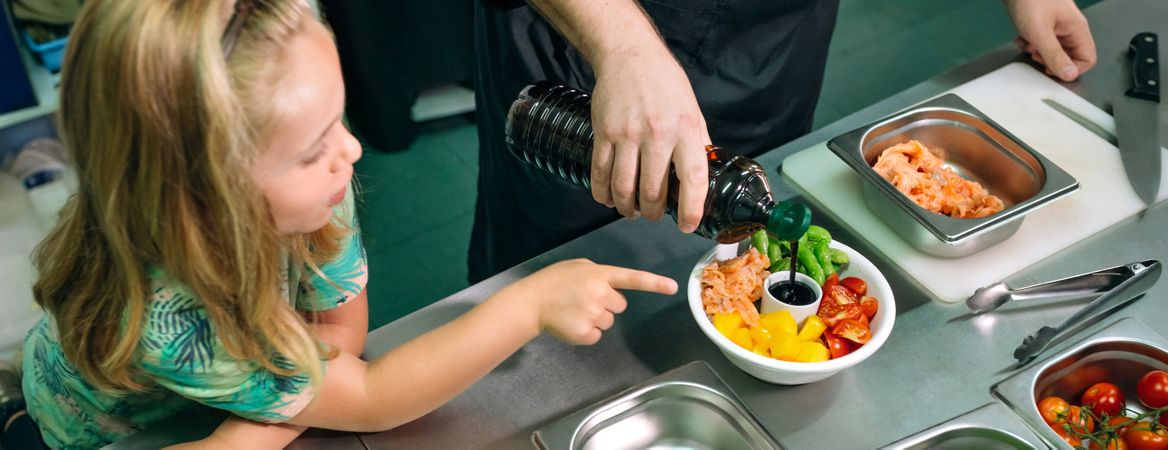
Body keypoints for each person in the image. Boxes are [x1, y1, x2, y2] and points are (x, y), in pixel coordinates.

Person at [21, 1, 678, 448]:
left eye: (340, 120)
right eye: (312, 149)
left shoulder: (318, 174)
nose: (350, 151)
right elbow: (366, 395)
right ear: (205, 197)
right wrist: (527, 305)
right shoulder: (171, 319)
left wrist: (286, 394)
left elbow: (340, 333)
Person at [468, 0, 1097, 283]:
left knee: (744, 237)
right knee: (560, 267)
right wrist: (625, 50)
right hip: (591, 49)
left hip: (771, 39)